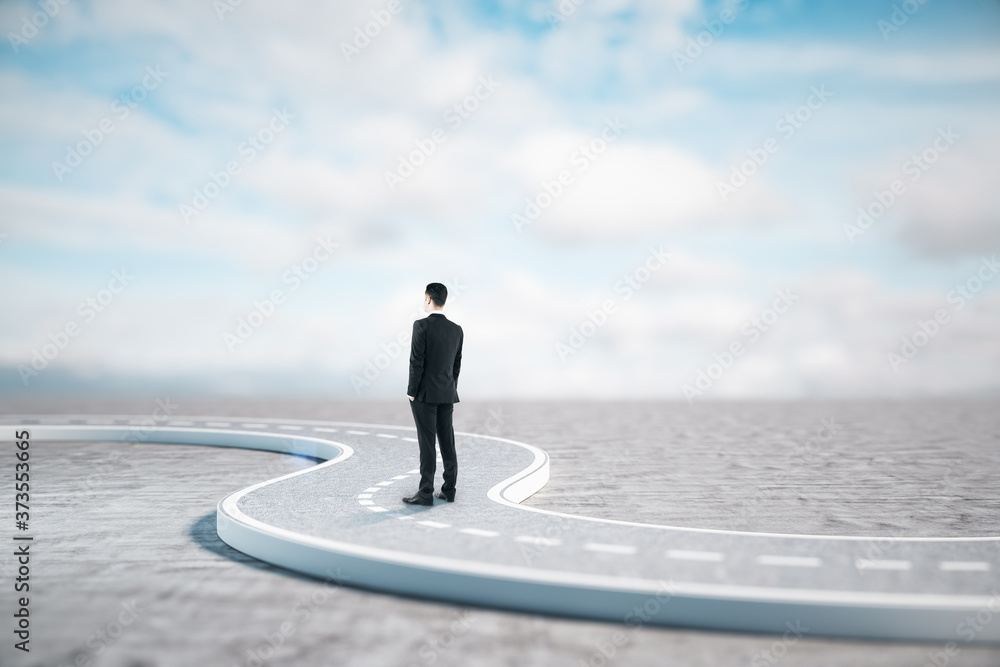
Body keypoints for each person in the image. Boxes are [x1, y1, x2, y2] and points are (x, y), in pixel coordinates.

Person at [403, 283, 464, 505]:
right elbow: (456, 365)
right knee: (447, 441)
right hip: (447, 393)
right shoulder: (457, 330)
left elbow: (416, 361)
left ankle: (426, 493)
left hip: (424, 395)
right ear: (444, 300)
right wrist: (451, 388)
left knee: (427, 443)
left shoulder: (420, 326)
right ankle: (449, 489)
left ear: (428, 299)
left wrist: (412, 391)